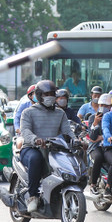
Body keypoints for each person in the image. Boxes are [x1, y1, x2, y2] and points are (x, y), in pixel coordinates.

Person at [19, 80, 74, 213]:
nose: (50, 96)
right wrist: (35, 140)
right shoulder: (28, 112)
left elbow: (67, 131)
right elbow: (25, 131)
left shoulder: (60, 113)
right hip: (31, 148)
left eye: (52, 94)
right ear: (39, 95)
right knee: (36, 159)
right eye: (46, 94)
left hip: (53, 149)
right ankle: (33, 196)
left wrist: (77, 140)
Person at [86, 93, 112, 193]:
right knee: (98, 157)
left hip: (110, 146)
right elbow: (93, 138)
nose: (103, 108)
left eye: (106, 106)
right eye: (101, 105)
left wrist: (102, 137)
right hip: (96, 147)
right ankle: (93, 184)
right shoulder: (93, 118)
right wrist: (95, 123)